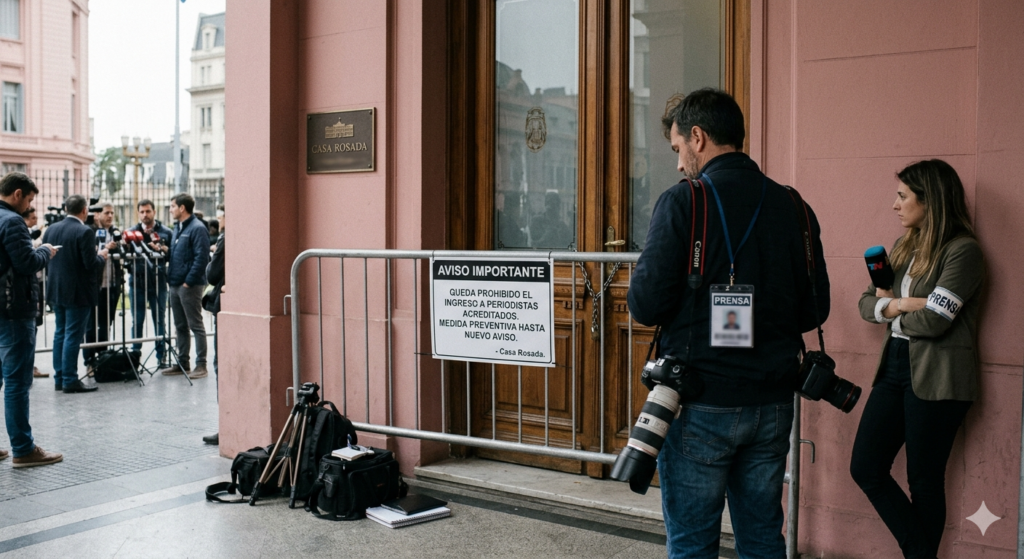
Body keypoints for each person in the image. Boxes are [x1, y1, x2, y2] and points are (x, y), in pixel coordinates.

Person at [627, 88, 830, 558]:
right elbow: (815, 310)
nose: (680, 163)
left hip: (700, 403)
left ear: (697, 137)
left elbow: (644, 305)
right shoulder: (795, 207)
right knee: (762, 539)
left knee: (693, 543)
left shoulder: (683, 202)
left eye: (678, 148)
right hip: (773, 403)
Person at [851, 160, 983, 559]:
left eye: (903, 196)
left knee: (924, 480)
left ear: (931, 201)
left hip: (939, 374)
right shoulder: (903, 247)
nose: (895, 205)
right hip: (894, 364)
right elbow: (865, 304)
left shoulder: (963, 251)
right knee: (866, 467)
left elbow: (936, 320)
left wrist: (890, 309)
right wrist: (904, 304)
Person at [0, 173, 62, 467]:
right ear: (17, 194)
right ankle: (23, 449)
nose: (28, 206)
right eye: (29, 200)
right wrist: (45, 251)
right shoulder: (12, 221)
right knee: (16, 381)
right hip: (13, 309)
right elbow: (26, 263)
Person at [43, 194, 106, 394]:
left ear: (66, 209)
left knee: (60, 333)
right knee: (73, 335)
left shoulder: (51, 229)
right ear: (84, 210)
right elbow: (90, 264)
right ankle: (70, 379)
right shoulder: (84, 231)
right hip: (78, 292)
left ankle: (60, 377)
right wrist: (102, 257)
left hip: (57, 288)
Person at [159, 193, 210, 378]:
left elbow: (201, 257)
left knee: (195, 324)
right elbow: (179, 254)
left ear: (182, 208)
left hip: (189, 285)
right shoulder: (178, 227)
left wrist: (189, 281)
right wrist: (165, 250)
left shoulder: (197, 228)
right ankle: (183, 363)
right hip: (175, 283)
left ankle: (201, 365)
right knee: (180, 325)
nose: (170, 209)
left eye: (173, 206)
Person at [127, 200, 173, 366]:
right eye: (142, 212)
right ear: (138, 213)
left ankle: (161, 356)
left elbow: (172, 255)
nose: (145, 215)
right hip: (137, 282)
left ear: (154, 212)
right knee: (137, 321)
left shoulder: (166, 232)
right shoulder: (132, 232)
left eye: (148, 211)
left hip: (158, 281)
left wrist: (163, 249)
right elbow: (126, 254)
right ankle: (135, 357)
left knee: (159, 319)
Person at [83, 203, 120, 368]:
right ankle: (89, 360)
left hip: (111, 285)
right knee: (90, 325)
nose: (110, 216)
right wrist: (105, 247)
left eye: (112, 213)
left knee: (106, 323)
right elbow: (88, 255)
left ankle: (103, 358)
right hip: (93, 285)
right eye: (106, 213)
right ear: (97, 215)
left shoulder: (115, 232)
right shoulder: (89, 231)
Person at [202, 206, 225, 444]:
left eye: (220, 218)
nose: (218, 222)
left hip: (225, 305)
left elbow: (212, 274)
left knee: (221, 364)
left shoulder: (225, 239)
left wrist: (213, 257)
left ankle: (225, 424)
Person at [22, 207, 48, 379]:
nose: (35, 221)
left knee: (34, 327)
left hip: (36, 285)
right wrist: (43, 249)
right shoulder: (23, 235)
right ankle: (27, 366)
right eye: (32, 218)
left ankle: (30, 364)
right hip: (28, 288)